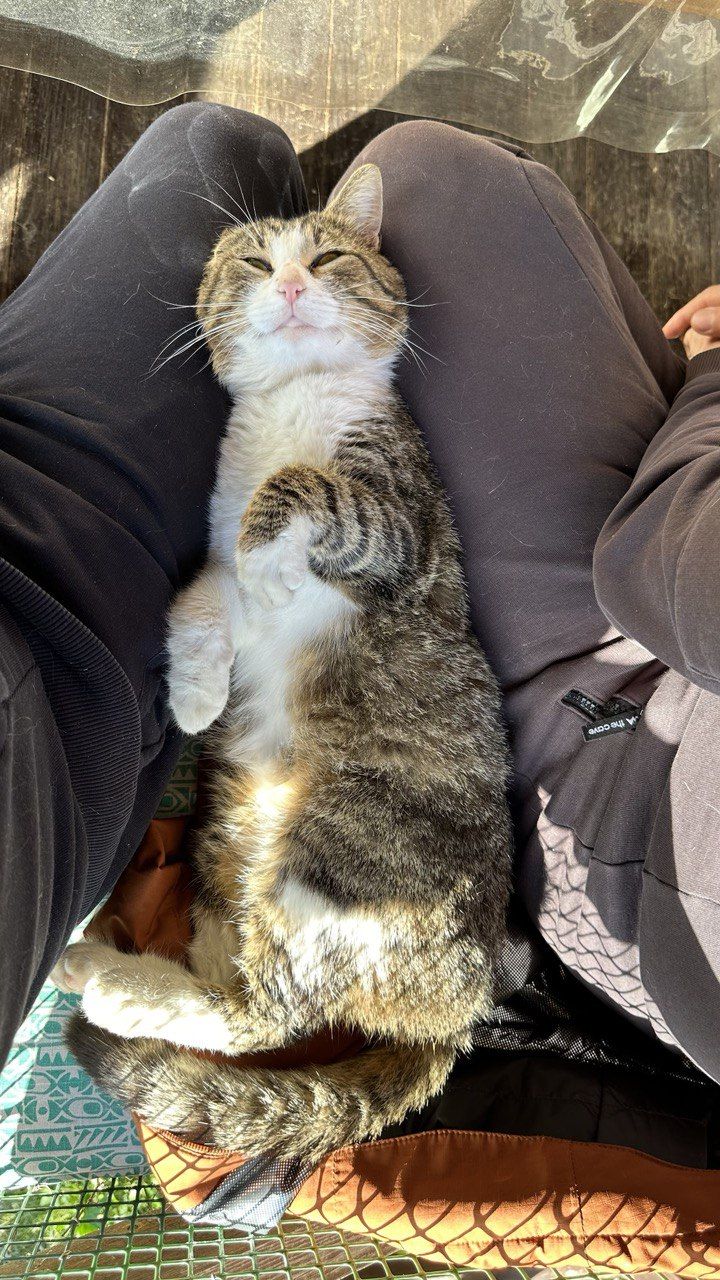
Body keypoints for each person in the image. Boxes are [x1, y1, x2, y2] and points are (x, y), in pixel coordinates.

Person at [1, 102, 719, 1080]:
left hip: (511, 796)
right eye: (255, 270)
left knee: (237, 152)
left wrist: (282, 519)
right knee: (302, 158)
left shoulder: (359, 422)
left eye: (331, 263)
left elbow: (390, 557)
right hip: (502, 755)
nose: (291, 283)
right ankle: (249, 989)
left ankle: (245, 1006)